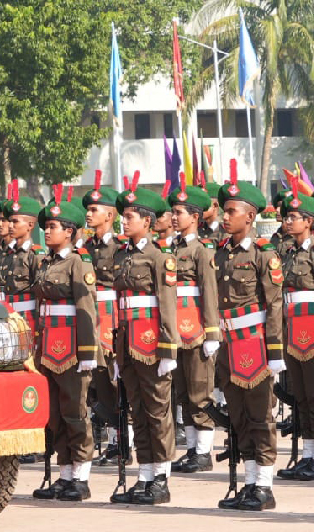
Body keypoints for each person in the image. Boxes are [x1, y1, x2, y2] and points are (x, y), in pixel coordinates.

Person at [214, 161, 284, 512]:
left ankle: (265, 486)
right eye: (224, 210)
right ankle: (250, 482)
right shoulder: (222, 253)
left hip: (254, 344)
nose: (225, 217)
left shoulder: (263, 255)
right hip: (229, 345)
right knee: (238, 417)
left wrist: (275, 352)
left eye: (231, 211)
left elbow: (274, 305)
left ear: (250, 216)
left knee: (260, 415)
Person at [109, 178, 179, 506]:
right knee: (137, 409)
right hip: (127, 343)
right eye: (123, 216)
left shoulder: (158, 257)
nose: (124, 221)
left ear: (147, 222)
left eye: (130, 216)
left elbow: (166, 305)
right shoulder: (123, 256)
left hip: (151, 344)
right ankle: (145, 473)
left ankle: (161, 476)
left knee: (157, 410)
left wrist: (168, 348)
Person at [30, 193, 98, 501]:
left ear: (69, 231)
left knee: (75, 411)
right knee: (54, 413)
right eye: (46, 226)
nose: (47, 231)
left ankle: (81, 476)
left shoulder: (77, 263)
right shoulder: (45, 262)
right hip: (48, 347)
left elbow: (87, 310)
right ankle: (65, 473)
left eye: (53, 226)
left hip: (70, 348)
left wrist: (87, 353)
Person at [274, 184, 314, 482]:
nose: (288, 222)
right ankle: (309, 455)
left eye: (294, 217)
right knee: (300, 396)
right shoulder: (287, 253)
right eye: (287, 217)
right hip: (292, 331)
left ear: (309, 223)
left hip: (312, 333)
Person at [167, 177, 221, 474]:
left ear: (195, 217)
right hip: (176, 328)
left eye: (180, 212)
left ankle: (203, 451)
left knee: (201, 390)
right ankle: (191, 449)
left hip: (197, 328)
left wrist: (212, 332)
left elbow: (209, 291)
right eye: (173, 212)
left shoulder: (203, 250)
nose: (174, 217)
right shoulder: (171, 248)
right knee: (183, 392)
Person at [81, 172, 127, 466]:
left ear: (110, 215)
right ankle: (113, 440)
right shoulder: (85, 247)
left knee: (116, 379)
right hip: (93, 317)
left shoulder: (120, 247)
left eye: (94, 210)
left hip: (114, 317)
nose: (88, 214)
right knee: (98, 382)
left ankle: (123, 441)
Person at [0, 195, 45, 328]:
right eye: (10, 221)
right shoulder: (9, 252)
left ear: (30, 225)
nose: (11, 226)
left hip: (27, 316)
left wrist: (38, 325)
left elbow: (40, 294)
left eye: (15, 222)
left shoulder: (35, 254)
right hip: (8, 313)